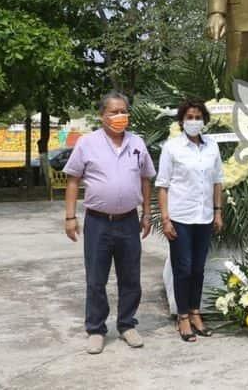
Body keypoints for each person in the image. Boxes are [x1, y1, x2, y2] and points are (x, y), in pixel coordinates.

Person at [63, 91, 156, 354]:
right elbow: (72, 180)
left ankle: (127, 324)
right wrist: (70, 217)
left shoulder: (137, 143)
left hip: (128, 221)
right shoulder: (87, 143)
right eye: (114, 112)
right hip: (98, 222)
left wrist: (147, 213)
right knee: (96, 278)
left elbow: (146, 179)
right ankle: (96, 329)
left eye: (123, 111)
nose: (120, 116)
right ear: (102, 116)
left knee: (131, 277)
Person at [155, 100, 224, 342]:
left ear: (204, 121)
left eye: (198, 117)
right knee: (182, 268)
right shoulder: (172, 148)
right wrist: (165, 219)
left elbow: (217, 181)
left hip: (204, 216)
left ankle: (196, 313)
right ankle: (182, 316)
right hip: (180, 217)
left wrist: (217, 212)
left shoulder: (212, 147)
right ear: (182, 121)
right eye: (189, 117)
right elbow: (162, 185)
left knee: (198, 268)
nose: (193, 121)